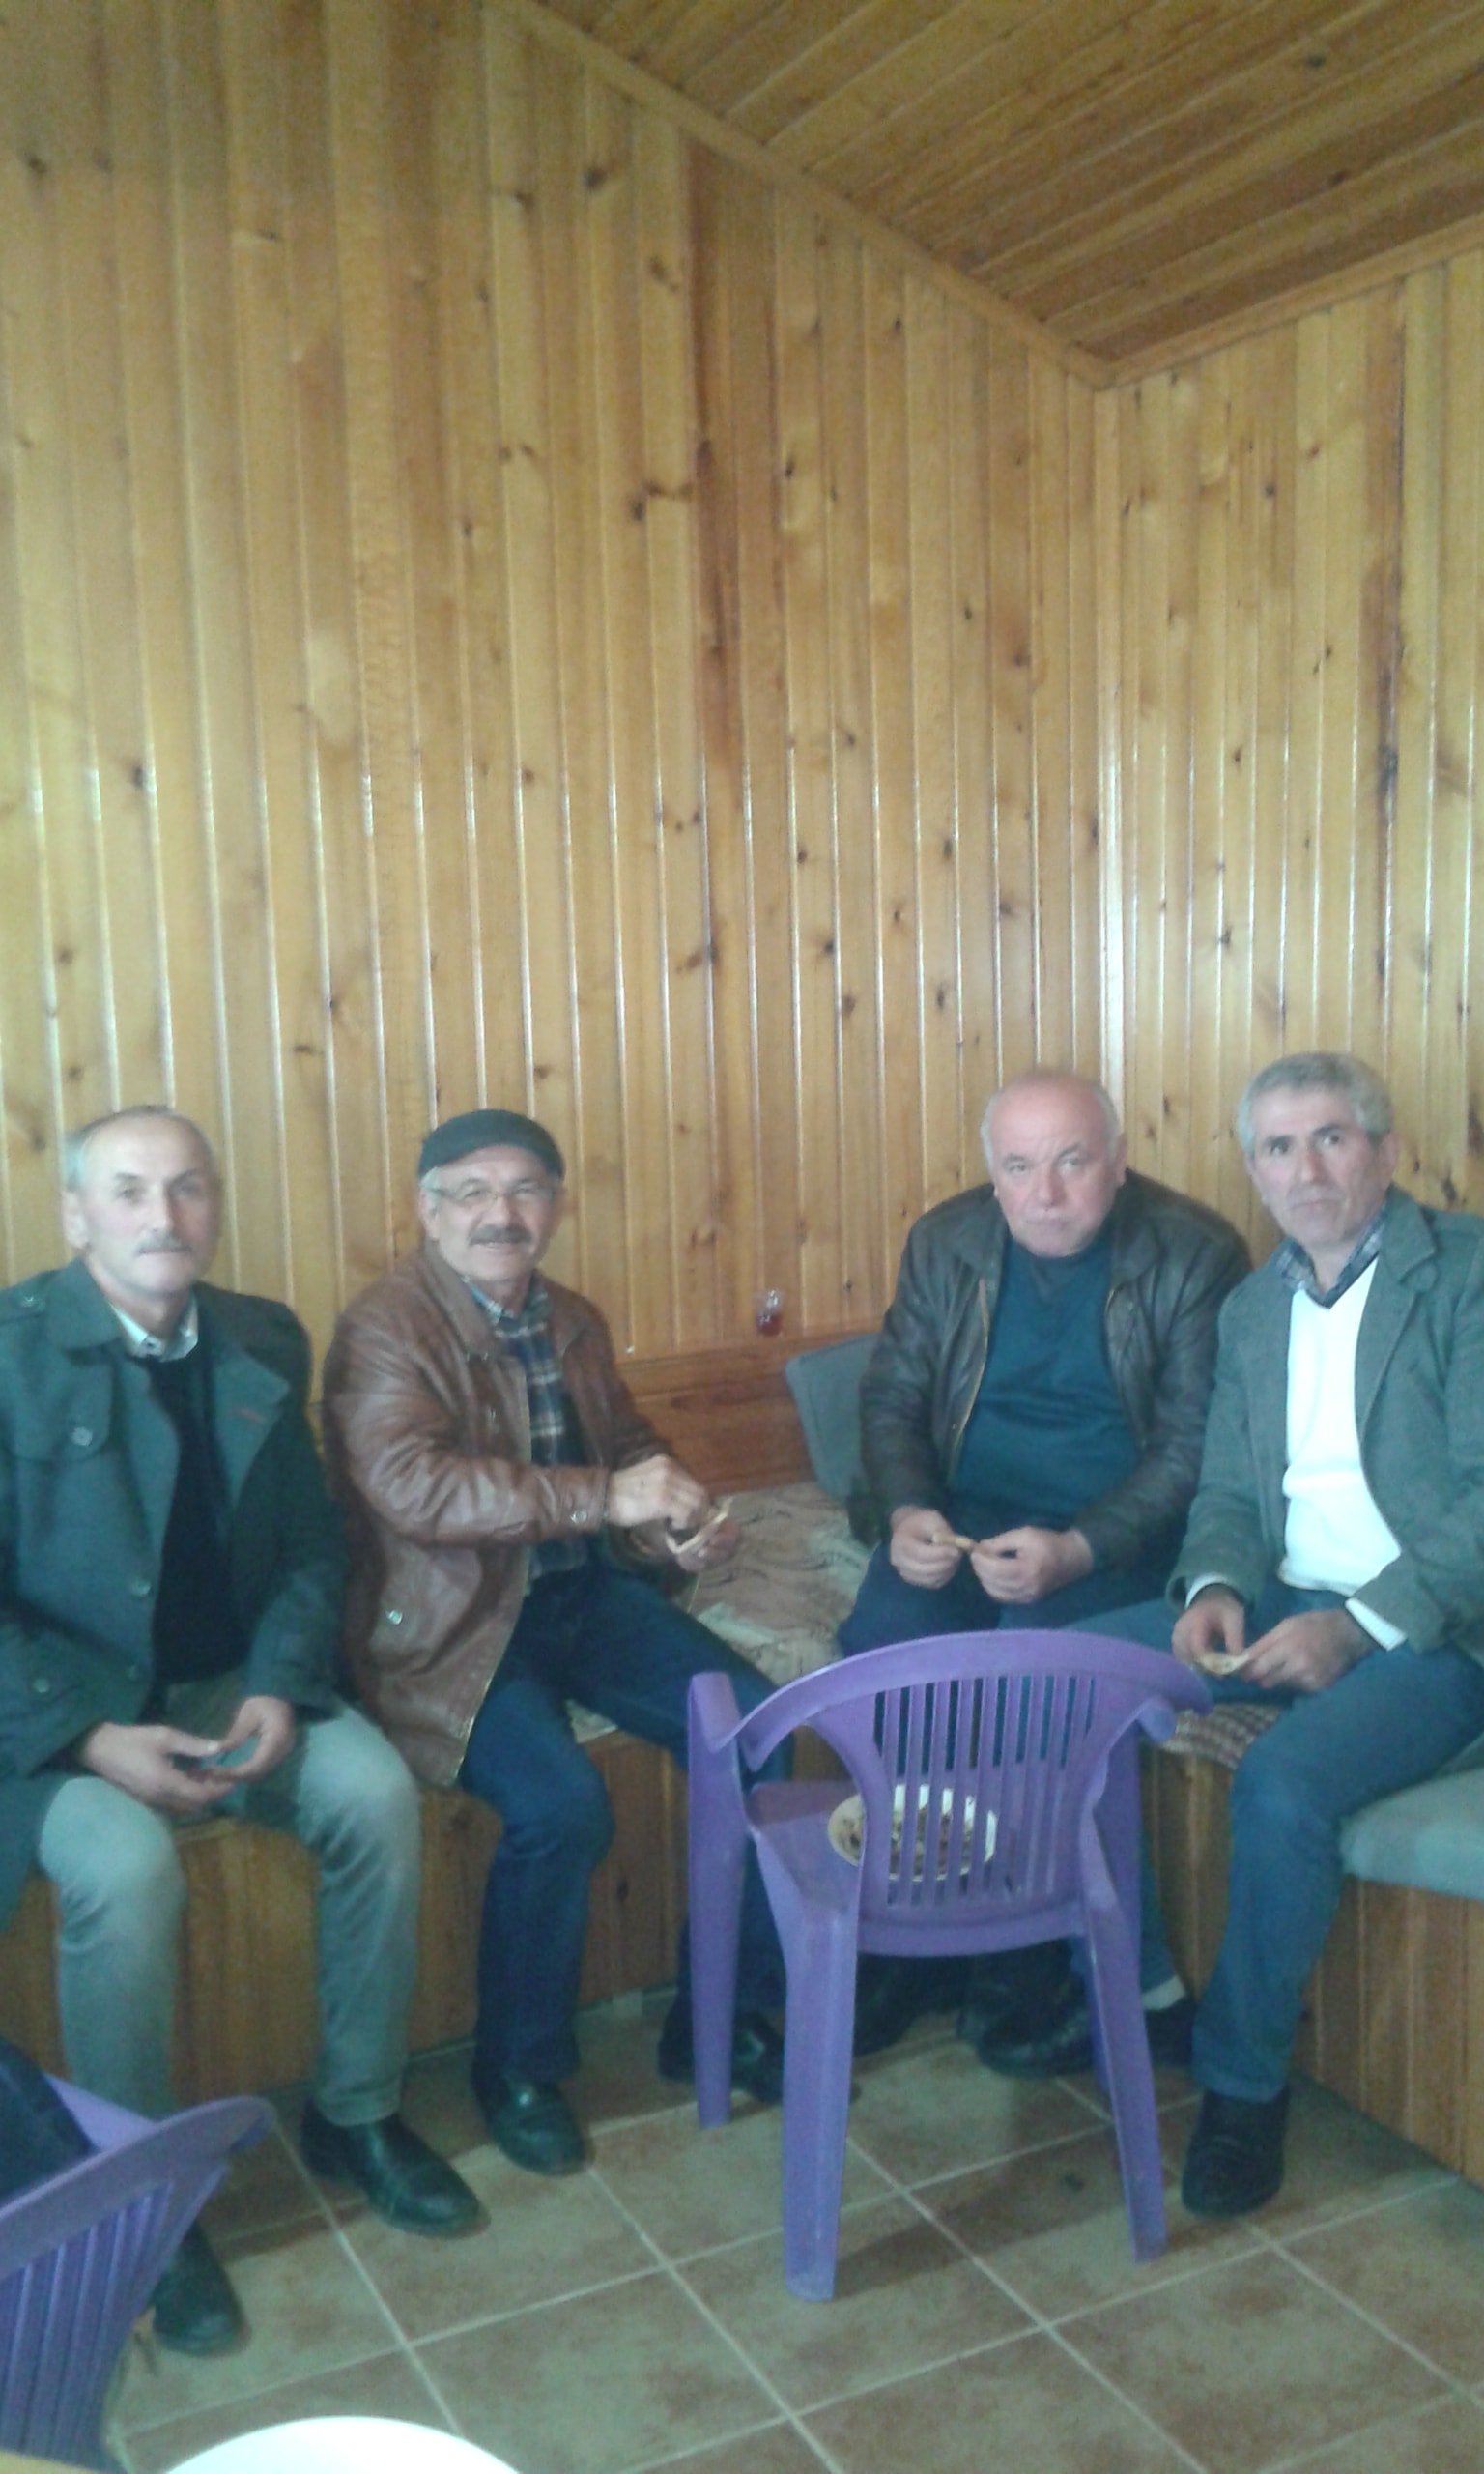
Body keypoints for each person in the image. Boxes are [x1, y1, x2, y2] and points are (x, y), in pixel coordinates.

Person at [0, 1108, 477, 2359]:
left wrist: (277, 1682)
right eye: (129, 1191)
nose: (162, 1217)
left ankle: (356, 2111)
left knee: (374, 1796)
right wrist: (89, 1736)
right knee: (123, 1871)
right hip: (53, 1712)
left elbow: (312, 1545)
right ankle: (143, 2197)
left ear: (213, 1205)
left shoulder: (262, 1335)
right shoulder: (8, 1352)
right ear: (75, 1215)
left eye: (187, 1188)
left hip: (227, 1684)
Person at [322, 1108, 785, 2178]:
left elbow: (627, 1450)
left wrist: (676, 1522)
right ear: (429, 1210)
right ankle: (517, 2070)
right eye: (472, 1191)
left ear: (556, 1206)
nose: (502, 1213)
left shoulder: (569, 1318)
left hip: (582, 1596)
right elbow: (417, 1488)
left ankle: (723, 2014)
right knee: (562, 1806)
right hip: (455, 1627)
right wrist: (605, 1496)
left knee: (760, 1734)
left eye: (526, 1189)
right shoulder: (383, 1329)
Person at [1104, 1053, 1484, 2217]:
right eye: (1279, 1146)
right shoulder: (1253, 1307)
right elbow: (1226, 1488)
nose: (1306, 1169)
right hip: (1283, 1595)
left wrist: (1356, 1628)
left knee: (1284, 1782)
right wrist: (1217, 1582)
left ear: (1384, 1149)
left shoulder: (1466, 1274)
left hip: (1441, 1632)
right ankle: (1141, 1994)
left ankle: (1242, 2086)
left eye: (1331, 1138)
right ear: (1255, 1169)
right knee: (1074, 1678)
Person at [842, 1069, 1248, 2059]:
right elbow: (893, 1399)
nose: (1047, 1193)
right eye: (1020, 1167)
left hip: (1120, 1533)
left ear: (1118, 1160)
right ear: (993, 1175)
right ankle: (927, 1931)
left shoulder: (1195, 1253)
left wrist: (1078, 1550)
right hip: (963, 1517)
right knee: (883, 1651)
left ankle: (1019, 1951)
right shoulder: (946, 1242)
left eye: (1072, 1161)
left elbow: (1192, 1452)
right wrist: (908, 1509)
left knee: (1032, 1674)